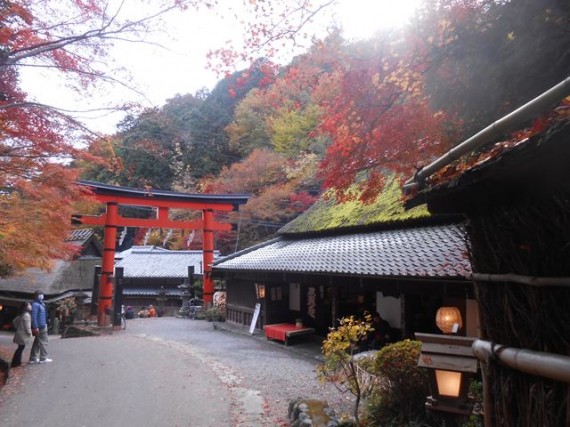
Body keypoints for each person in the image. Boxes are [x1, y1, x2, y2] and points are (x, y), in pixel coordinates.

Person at [30, 290, 52, 364]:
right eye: (40, 294)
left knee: (37, 342)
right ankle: (43, 358)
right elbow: (34, 316)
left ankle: (32, 358)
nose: (42, 295)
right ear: (37, 296)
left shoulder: (41, 304)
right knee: (44, 341)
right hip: (40, 326)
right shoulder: (35, 304)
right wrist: (35, 327)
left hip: (42, 324)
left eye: (42, 294)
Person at [11, 302, 32, 368]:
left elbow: (14, 321)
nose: (31, 306)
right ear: (26, 307)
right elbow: (27, 326)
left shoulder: (22, 314)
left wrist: (18, 327)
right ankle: (16, 362)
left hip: (19, 333)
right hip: (23, 335)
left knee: (20, 348)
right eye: (29, 305)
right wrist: (30, 333)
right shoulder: (27, 315)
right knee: (20, 348)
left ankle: (16, 362)